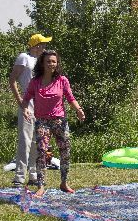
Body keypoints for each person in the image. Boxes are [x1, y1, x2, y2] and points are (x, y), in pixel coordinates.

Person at [20, 50, 85, 197]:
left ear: (57, 63)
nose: (51, 64)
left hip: (59, 121)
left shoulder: (62, 80)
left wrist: (79, 110)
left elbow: (70, 98)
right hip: (42, 122)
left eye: (54, 61)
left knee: (65, 152)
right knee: (41, 152)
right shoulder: (35, 82)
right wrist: (24, 109)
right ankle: (41, 186)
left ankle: (64, 182)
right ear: (42, 63)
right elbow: (26, 99)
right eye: (48, 61)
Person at [8, 33, 52, 187]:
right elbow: (12, 80)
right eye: (43, 44)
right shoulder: (23, 57)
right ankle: (19, 176)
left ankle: (33, 175)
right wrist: (20, 101)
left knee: (36, 140)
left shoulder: (40, 61)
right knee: (25, 139)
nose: (45, 46)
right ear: (35, 45)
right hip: (27, 102)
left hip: (40, 103)